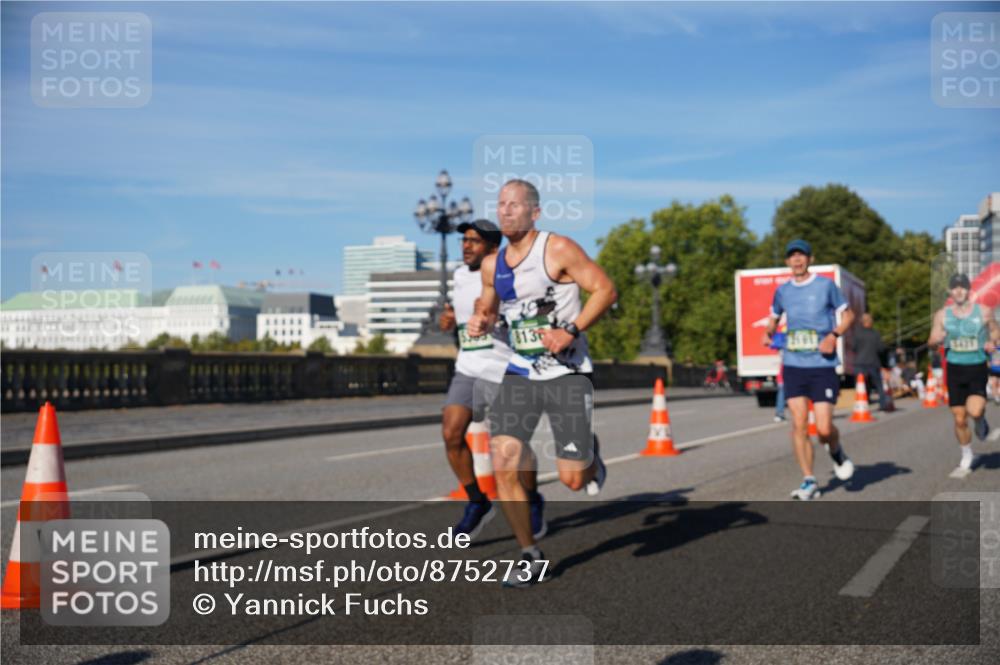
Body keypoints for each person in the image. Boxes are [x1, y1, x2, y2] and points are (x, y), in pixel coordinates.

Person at [468, 179, 617, 586]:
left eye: (515, 204)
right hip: (521, 370)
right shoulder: (491, 264)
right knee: (503, 459)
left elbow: (605, 289)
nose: (506, 210)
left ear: (534, 212)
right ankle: (529, 554)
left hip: (567, 370)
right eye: (501, 204)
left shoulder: (559, 249)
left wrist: (570, 328)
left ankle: (590, 454)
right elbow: (490, 305)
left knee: (573, 479)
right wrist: (482, 318)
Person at [438, 219, 538, 539]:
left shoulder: (510, 275)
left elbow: (527, 313)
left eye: (474, 241)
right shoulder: (457, 276)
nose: (466, 246)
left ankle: (533, 500)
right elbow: (462, 314)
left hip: (504, 368)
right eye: (464, 240)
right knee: (452, 433)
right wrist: (451, 319)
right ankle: (477, 502)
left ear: (493, 248)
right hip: (468, 365)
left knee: (514, 447)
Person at [763, 239, 856, 500]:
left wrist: (833, 336)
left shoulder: (825, 286)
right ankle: (809, 479)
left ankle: (836, 450)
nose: (797, 260)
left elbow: (848, 316)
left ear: (809, 259)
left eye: (801, 255)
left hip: (822, 365)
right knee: (799, 424)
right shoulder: (782, 292)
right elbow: (774, 318)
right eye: (792, 256)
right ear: (787, 262)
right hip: (793, 364)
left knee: (824, 429)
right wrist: (768, 332)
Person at [927, 273, 1000, 472]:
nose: (959, 290)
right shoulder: (942, 315)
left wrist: (992, 342)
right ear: (950, 291)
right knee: (959, 418)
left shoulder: (983, 312)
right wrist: (936, 340)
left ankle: (980, 420)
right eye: (955, 287)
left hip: (976, 366)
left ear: (969, 290)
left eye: (962, 287)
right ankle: (967, 452)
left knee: (975, 410)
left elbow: (995, 332)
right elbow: (931, 341)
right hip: (954, 368)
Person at [852, 313, 889, 411]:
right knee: (878, 385)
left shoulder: (857, 333)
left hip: (859, 363)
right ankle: (883, 404)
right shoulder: (875, 333)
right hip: (873, 362)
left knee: (861, 385)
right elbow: (881, 349)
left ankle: (863, 403)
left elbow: (854, 348)